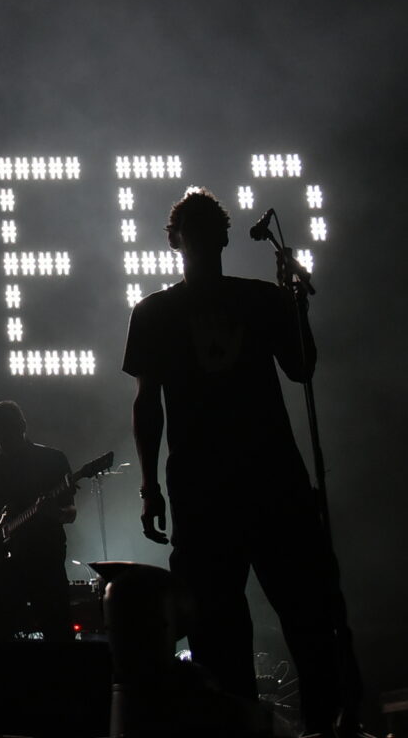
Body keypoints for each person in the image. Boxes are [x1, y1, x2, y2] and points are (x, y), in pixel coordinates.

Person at [124, 187, 349, 734]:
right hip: (264, 483)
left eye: (203, 233)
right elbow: (301, 370)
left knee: (233, 629)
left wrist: (150, 486)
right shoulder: (250, 301)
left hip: (213, 491)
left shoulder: (160, 312)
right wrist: (150, 486)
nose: (201, 242)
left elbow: (147, 403)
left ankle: (255, 729)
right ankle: (319, 725)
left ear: (181, 241)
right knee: (299, 617)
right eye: (198, 233)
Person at [0, 400, 75, 640]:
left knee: (59, 633)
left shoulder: (52, 460)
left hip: (46, 559)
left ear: (21, 427)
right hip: (2, 566)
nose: (1, 444)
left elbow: (70, 512)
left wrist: (54, 514)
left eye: (5, 436)